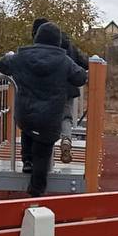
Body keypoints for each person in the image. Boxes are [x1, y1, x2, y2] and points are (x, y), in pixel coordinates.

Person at [0, 22, 88, 197]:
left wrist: (9, 56)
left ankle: (26, 161)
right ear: (57, 40)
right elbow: (80, 78)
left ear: (37, 37)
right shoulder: (64, 60)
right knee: (43, 153)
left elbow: (2, 65)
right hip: (50, 116)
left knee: (27, 131)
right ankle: (36, 193)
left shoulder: (21, 56)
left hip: (25, 112)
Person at [31, 18, 90, 164]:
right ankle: (66, 139)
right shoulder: (69, 45)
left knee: (42, 118)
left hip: (45, 88)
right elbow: (84, 63)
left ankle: (45, 151)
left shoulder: (43, 45)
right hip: (66, 88)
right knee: (66, 118)